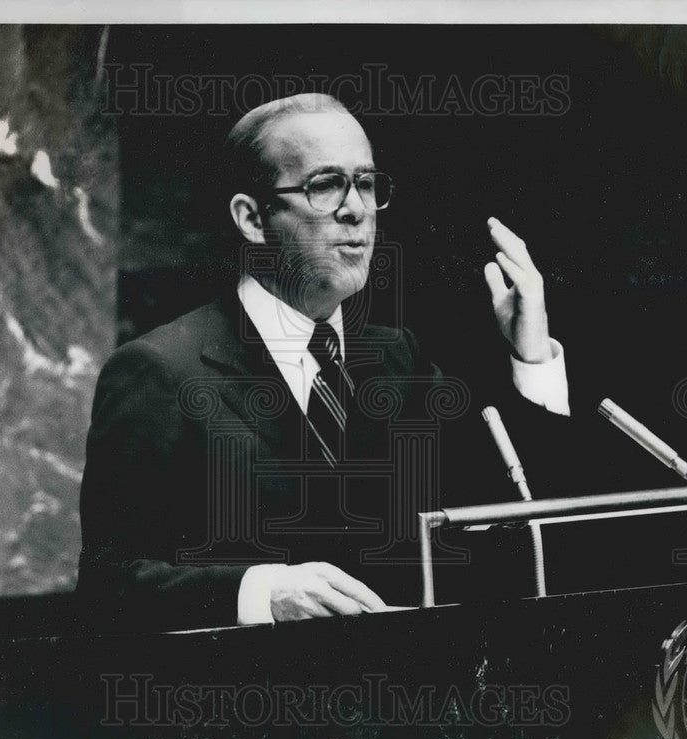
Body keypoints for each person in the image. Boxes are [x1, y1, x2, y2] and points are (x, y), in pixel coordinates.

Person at [76, 94, 570, 631]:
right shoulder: (159, 371)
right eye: (325, 185)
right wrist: (261, 592)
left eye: (366, 183)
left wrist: (533, 352)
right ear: (251, 218)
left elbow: (520, 521)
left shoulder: (397, 358)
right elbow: (108, 588)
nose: (356, 208)